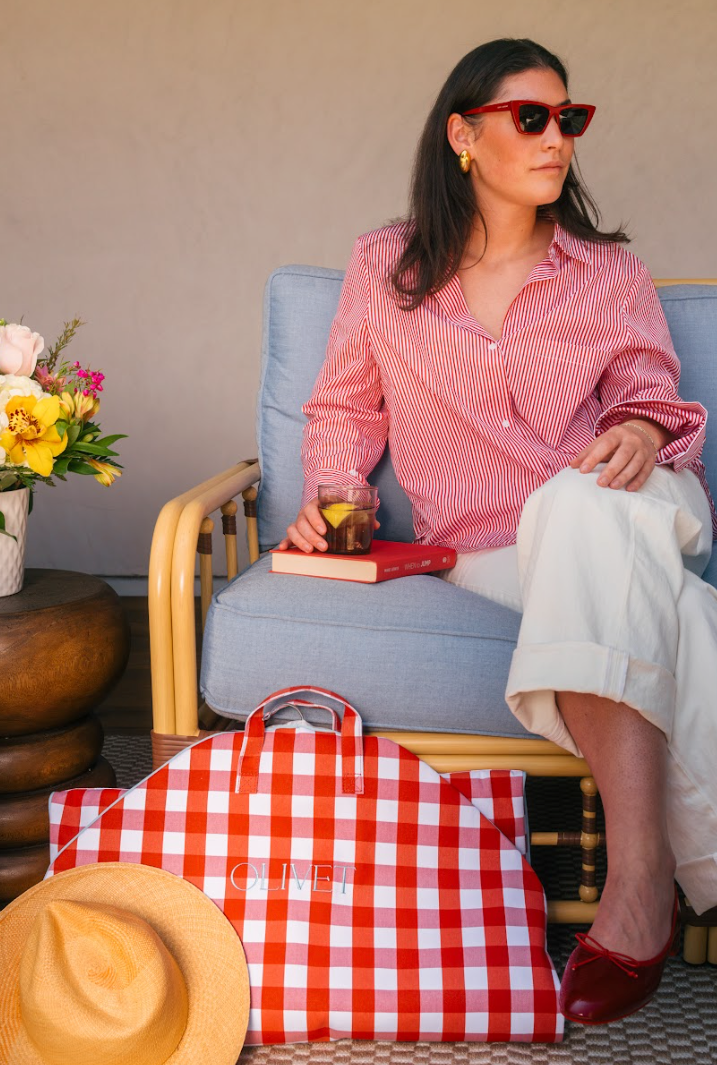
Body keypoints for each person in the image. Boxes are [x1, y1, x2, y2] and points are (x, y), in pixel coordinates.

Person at [276, 37, 717, 1025]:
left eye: (570, 118)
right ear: (463, 136)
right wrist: (336, 498)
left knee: (582, 506)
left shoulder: (606, 272)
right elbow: (343, 408)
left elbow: (651, 394)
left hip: (634, 503)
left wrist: (642, 429)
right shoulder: (386, 268)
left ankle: (637, 879)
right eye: (532, 117)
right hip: (494, 551)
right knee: (660, 605)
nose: (557, 137)